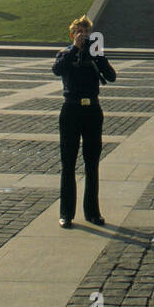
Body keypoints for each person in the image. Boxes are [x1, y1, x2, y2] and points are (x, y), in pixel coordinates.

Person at [52, 14, 116, 229]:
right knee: (68, 163)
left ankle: (92, 212)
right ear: (72, 34)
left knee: (92, 164)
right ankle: (66, 213)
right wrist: (74, 50)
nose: (84, 35)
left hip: (93, 111)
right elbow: (57, 70)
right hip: (70, 110)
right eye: (79, 31)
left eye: (87, 31)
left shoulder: (95, 55)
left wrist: (98, 56)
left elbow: (112, 76)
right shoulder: (65, 54)